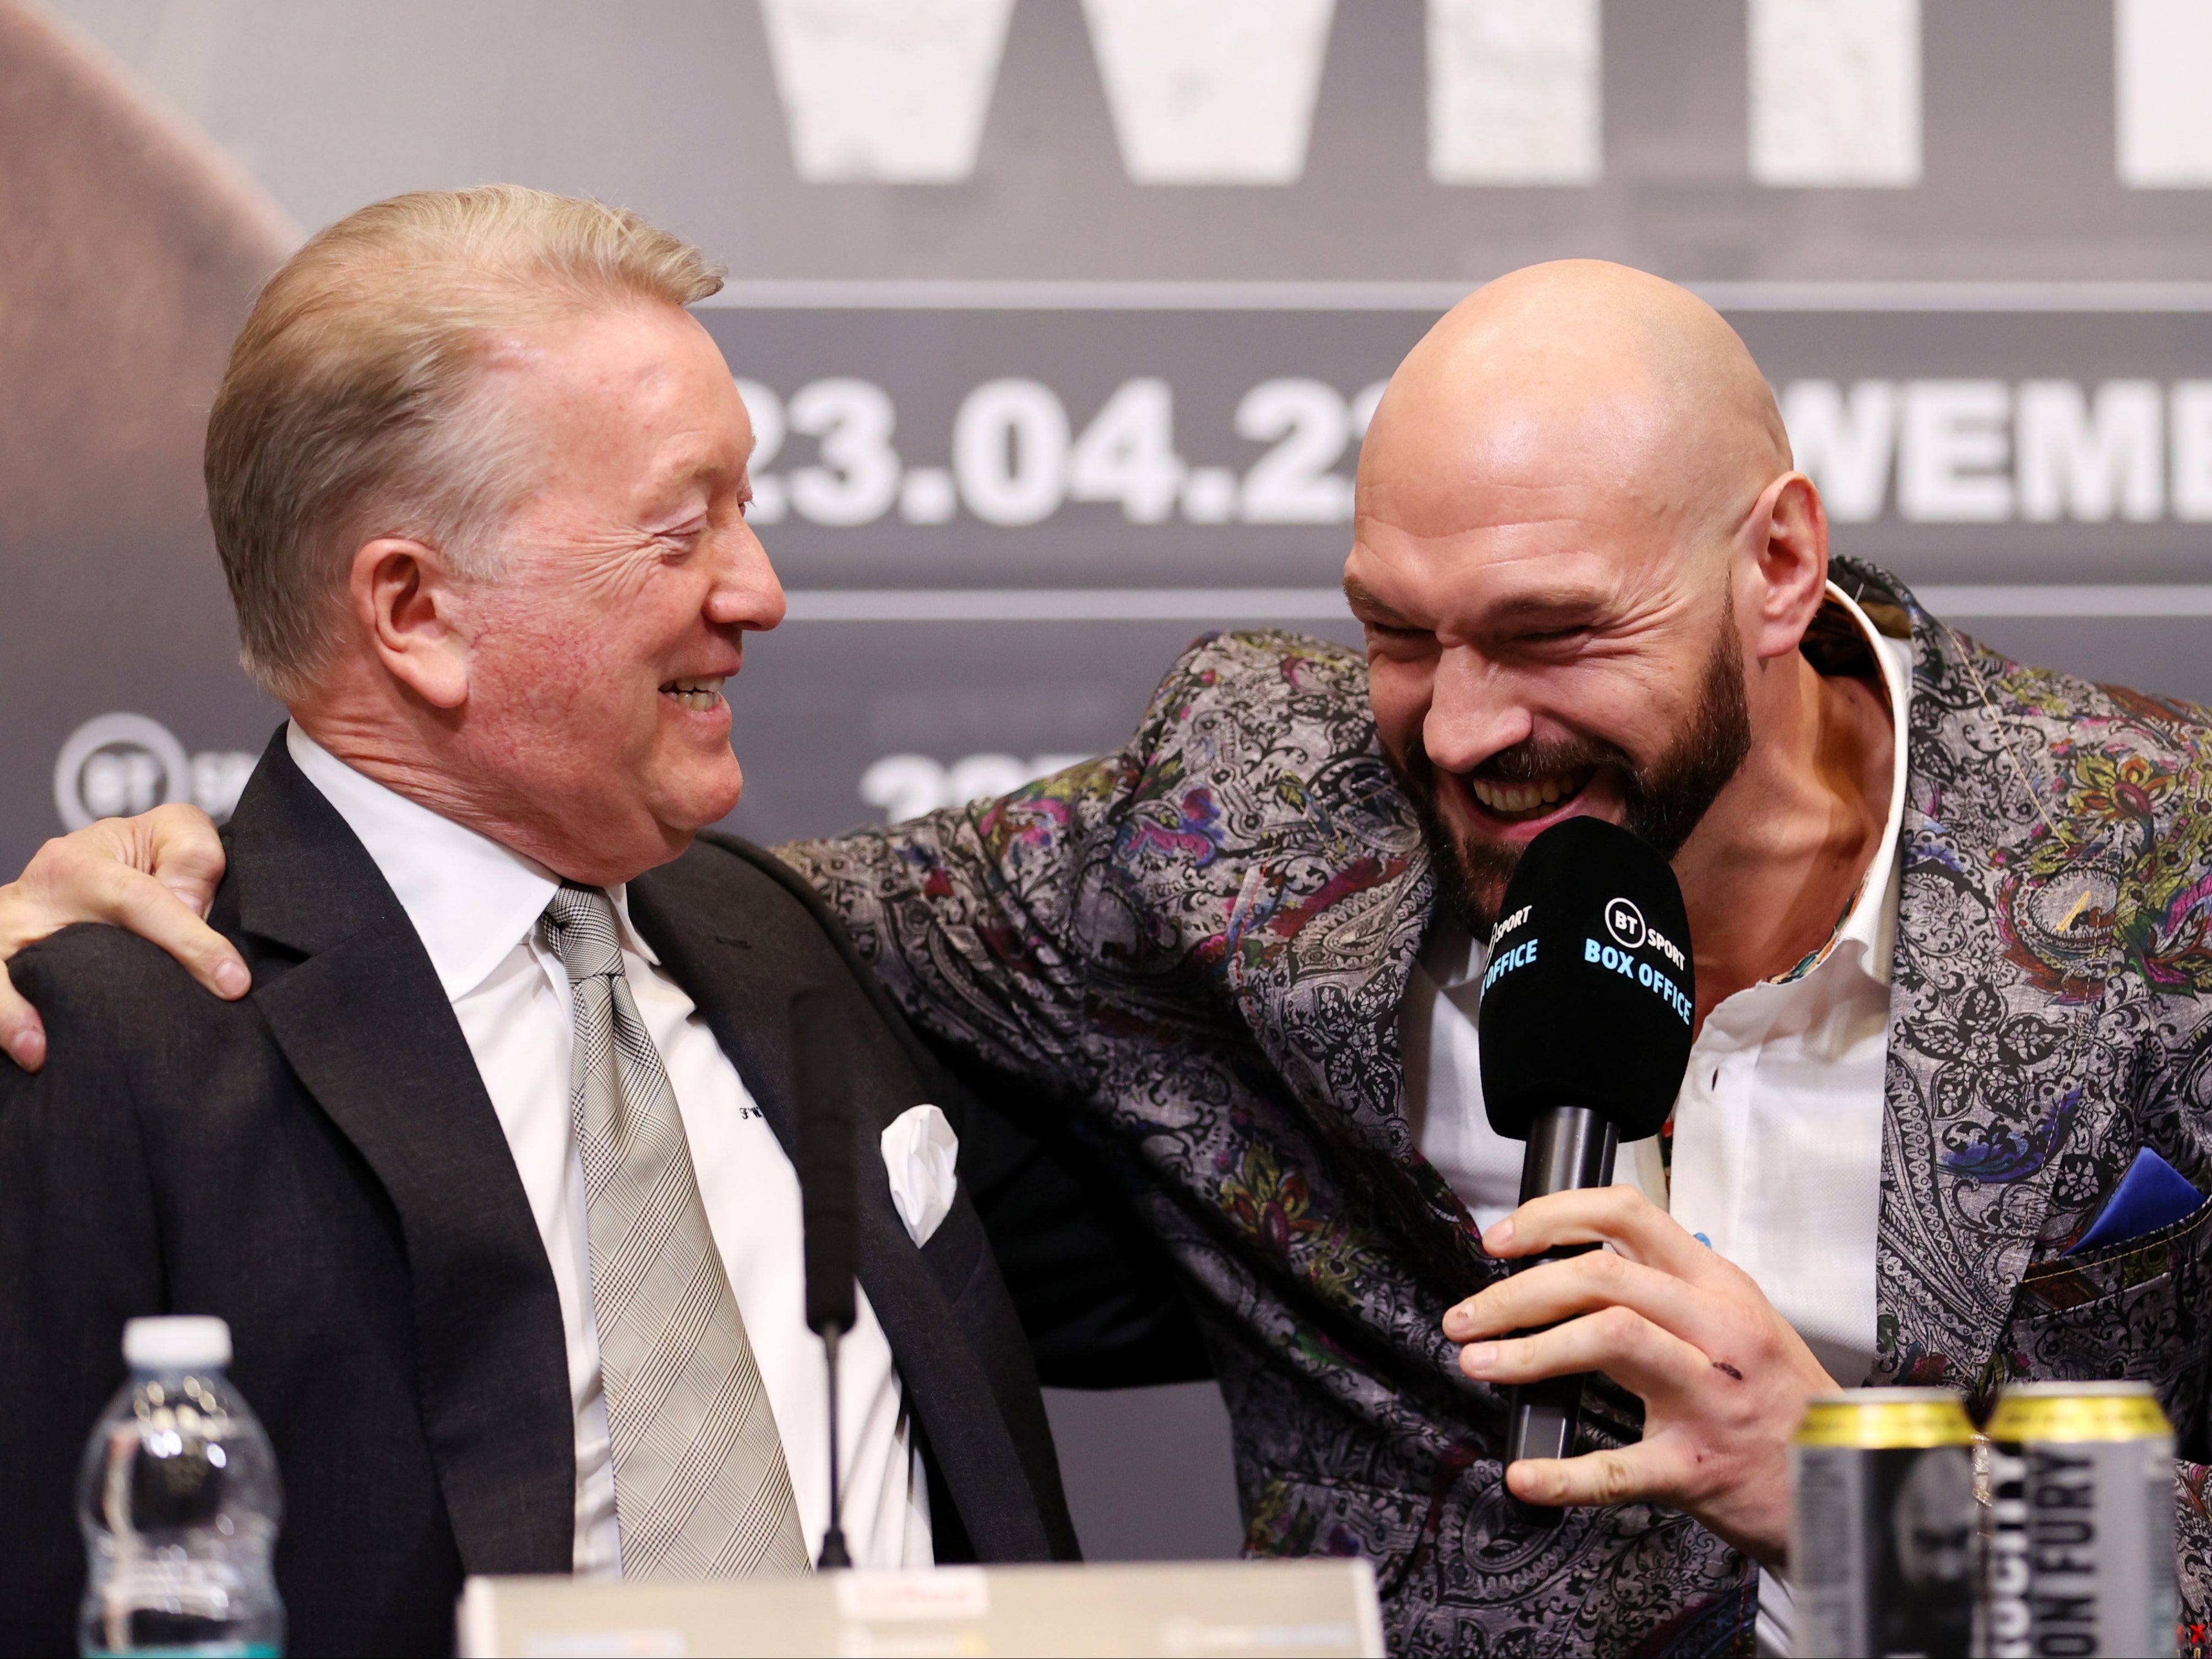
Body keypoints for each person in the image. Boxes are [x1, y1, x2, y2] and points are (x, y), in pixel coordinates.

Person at [14, 258, 2212, 1655]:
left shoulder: (2161, 893)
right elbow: (618, 906)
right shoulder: (1248, 811)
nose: (1459, 729)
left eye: (1547, 636)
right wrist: (151, 870)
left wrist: (1839, 1479)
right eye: (1393, 635)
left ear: (1780, 563)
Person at [0, 187, 1112, 1656]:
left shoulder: (781, 939)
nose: (760, 591)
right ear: (415, 611)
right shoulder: (104, 1045)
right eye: (678, 528)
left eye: (747, 507)